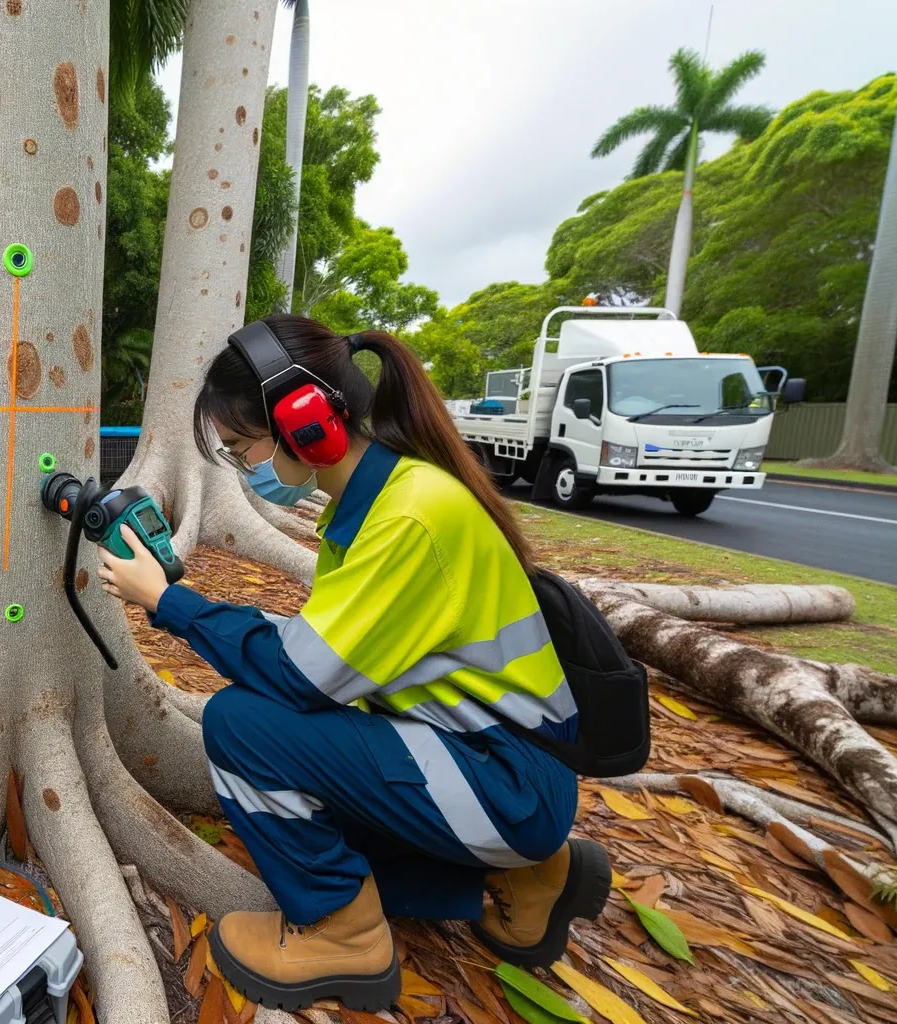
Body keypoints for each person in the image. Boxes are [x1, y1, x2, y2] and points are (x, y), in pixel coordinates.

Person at [96, 315, 609, 1011]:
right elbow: (321, 651)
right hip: (496, 767)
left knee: (241, 725)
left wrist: (169, 602)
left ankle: (344, 937)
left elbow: (300, 677)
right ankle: (525, 878)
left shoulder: (408, 520)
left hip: (504, 782)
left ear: (306, 422)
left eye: (245, 446)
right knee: (318, 822)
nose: (247, 467)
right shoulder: (381, 503)